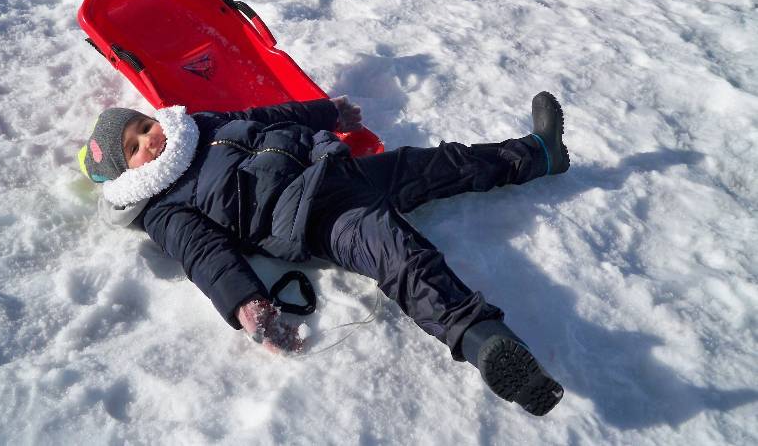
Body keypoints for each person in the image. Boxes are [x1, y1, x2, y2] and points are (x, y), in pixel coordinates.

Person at [78, 92, 569, 416]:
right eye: (135, 146)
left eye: (143, 125)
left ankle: (539, 153)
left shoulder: (198, 126)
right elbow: (204, 255)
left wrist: (325, 113)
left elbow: (266, 119)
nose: (150, 138)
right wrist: (245, 304)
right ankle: (486, 344)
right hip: (315, 217)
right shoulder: (165, 207)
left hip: (333, 168)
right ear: (129, 174)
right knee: (402, 256)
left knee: (442, 164)